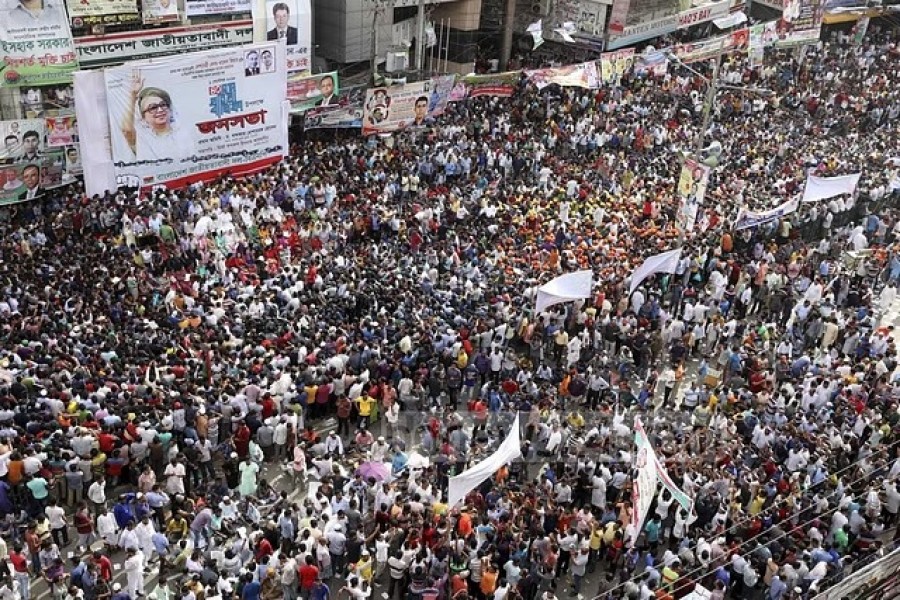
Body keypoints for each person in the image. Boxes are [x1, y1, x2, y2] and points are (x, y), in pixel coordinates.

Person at [118, 71, 196, 161]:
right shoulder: (142, 139)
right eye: (153, 107)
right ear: (144, 117)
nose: (160, 110)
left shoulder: (182, 134)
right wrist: (132, 96)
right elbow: (126, 130)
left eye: (163, 105)